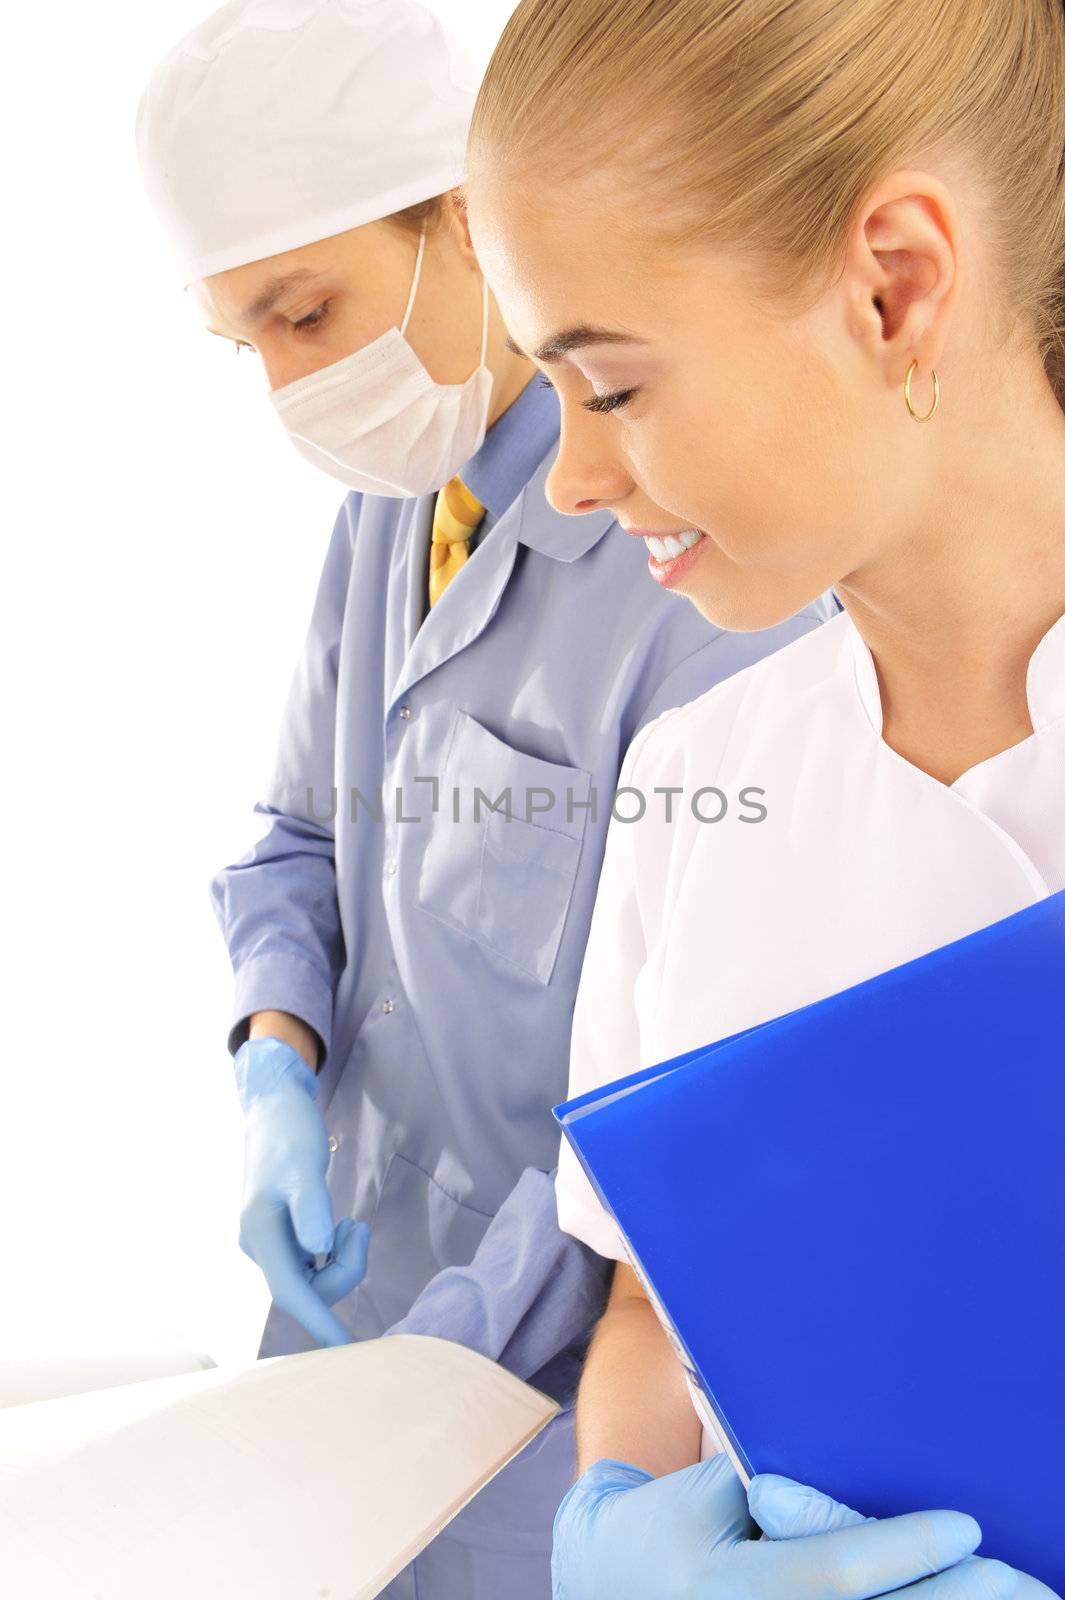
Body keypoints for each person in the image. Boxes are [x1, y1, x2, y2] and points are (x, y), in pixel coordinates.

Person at [135, 2, 839, 1594]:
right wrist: (273, 1071)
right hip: (348, 1313)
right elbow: (304, 831)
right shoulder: (400, 502)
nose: (285, 387)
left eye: (306, 313)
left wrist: (435, 1360)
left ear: (464, 217)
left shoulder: (703, 579)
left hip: (545, 1400)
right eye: (244, 339)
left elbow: (685, 1088)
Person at [462, 0, 1065, 1596]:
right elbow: (656, 1305)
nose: (575, 482)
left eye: (615, 387)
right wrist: (616, 1521)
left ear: (893, 285)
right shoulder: (692, 787)